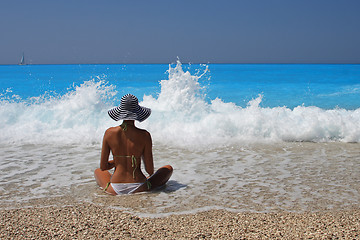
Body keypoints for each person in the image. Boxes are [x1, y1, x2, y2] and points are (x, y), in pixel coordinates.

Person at [94, 94, 172, 195]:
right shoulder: (144, 135)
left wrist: (118, 161)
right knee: (168, 168)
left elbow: (103, 167)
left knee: (98, 171)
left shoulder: (109, 133)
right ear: (137, 113)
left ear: (120, 112)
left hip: (115, 188)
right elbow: (150, 170)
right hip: (139, 186)